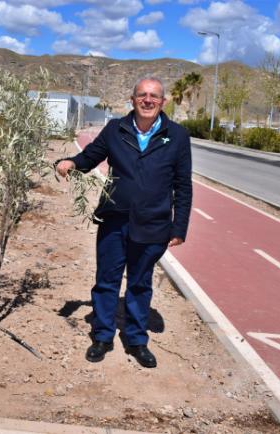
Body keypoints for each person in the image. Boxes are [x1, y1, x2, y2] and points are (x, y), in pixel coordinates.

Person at [56, 76, 192, 368]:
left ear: (162, 102)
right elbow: (90, 156)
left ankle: (136, 340)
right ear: (132, 100)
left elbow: (183, 185)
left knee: (140, 284)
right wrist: (71, 162)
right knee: (107, 281)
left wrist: (179, 226)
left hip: (153, 224)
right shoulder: (115, 129)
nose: (148, 100)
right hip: (114, 219)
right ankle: (103, 337)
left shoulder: (177, 136)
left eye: (154, 95)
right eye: (142, 94)